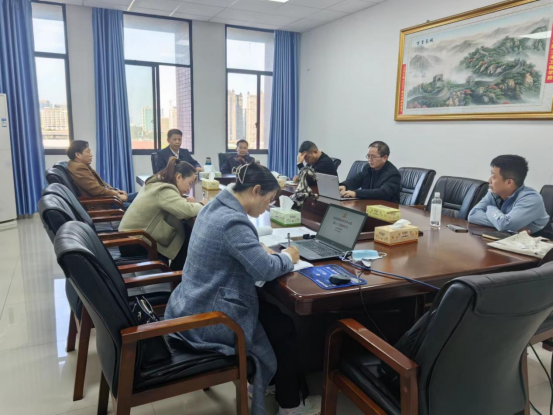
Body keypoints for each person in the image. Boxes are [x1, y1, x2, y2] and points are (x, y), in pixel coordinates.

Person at [164, 163, 321, 415]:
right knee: (284, 326)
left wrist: (257, 249)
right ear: (256, 190)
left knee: (274, 315)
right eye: (269, 200)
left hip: (192, 301)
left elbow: (237, 249)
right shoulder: (233, 221)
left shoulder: (214, 206)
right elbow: (265, 270)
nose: (267, 207)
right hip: (212, 318)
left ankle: (270, 384)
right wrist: (288, 257)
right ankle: (290, 406)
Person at [119, 158, 207, 270]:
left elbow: (178, 206)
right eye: (189, 183)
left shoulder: (159, 183)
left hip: (132, 238)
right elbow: (186, 211)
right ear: (179, 177)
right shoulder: (164, 189)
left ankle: (176, 274)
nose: (189, 189)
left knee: (184, 232)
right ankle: (176, 275)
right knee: (185, 237)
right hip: (135, 243)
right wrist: (203, 204)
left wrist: (190, 204)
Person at [468, 155, 549, 234]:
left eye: (494, 177)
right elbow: (473, 215)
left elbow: (505, 225)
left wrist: (490, 208)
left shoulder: (531, 199)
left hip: (536, 240)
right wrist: (509, 226)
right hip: (504, 237)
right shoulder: (494, 193)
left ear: (509, 182)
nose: (489, 180)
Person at [67, 140, 137, 206]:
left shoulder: (80, 165)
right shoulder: (79, 168)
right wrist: (117, 195)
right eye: (88, 152)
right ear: (78, 155)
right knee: (138, 207)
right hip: (103, 203)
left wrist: (115, 191)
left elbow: (100, 183)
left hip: (107, 198)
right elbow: (96, 190)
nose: (91, 155)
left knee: (139, 195)